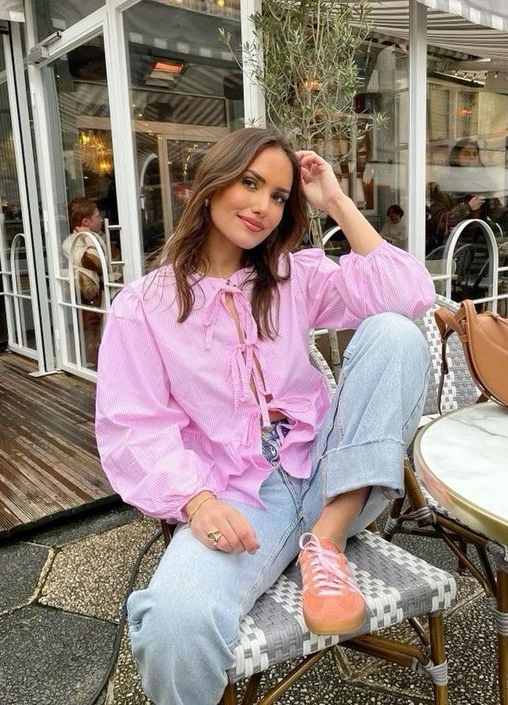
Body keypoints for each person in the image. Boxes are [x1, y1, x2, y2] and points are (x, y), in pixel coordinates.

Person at [94, 128, 435, 705]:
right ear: (210, 185)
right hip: (238, 498)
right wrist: (197, 502)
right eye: (250, 183)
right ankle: (307, 550)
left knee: (395, 333)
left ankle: (325, 542)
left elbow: (409, 295)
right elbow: (135, 426)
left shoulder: (292, 277)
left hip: (337, 476)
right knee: (174, 627)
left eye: (278, 196)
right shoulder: (144, 307)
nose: (262, 207)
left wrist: (336, 200)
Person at [62, 197, 121, 366]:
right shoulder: (74, 241)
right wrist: (92, 240)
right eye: (97, 216)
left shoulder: (97, 237)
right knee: (95, 332)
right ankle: (98, 363)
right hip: (92, 296)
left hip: (108, 292)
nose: (101, 219)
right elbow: (94, 262)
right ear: (86, 221)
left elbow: (115, 256)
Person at [427, 139, 508, 252]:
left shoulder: (483, 182)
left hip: (481, 244)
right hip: (453, 245)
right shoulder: (444, 185)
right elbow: (439, 221)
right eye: (466, 153)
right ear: (456, 157)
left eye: (475, 154)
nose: (472, 157)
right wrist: (468, 207)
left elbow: (496, 211)